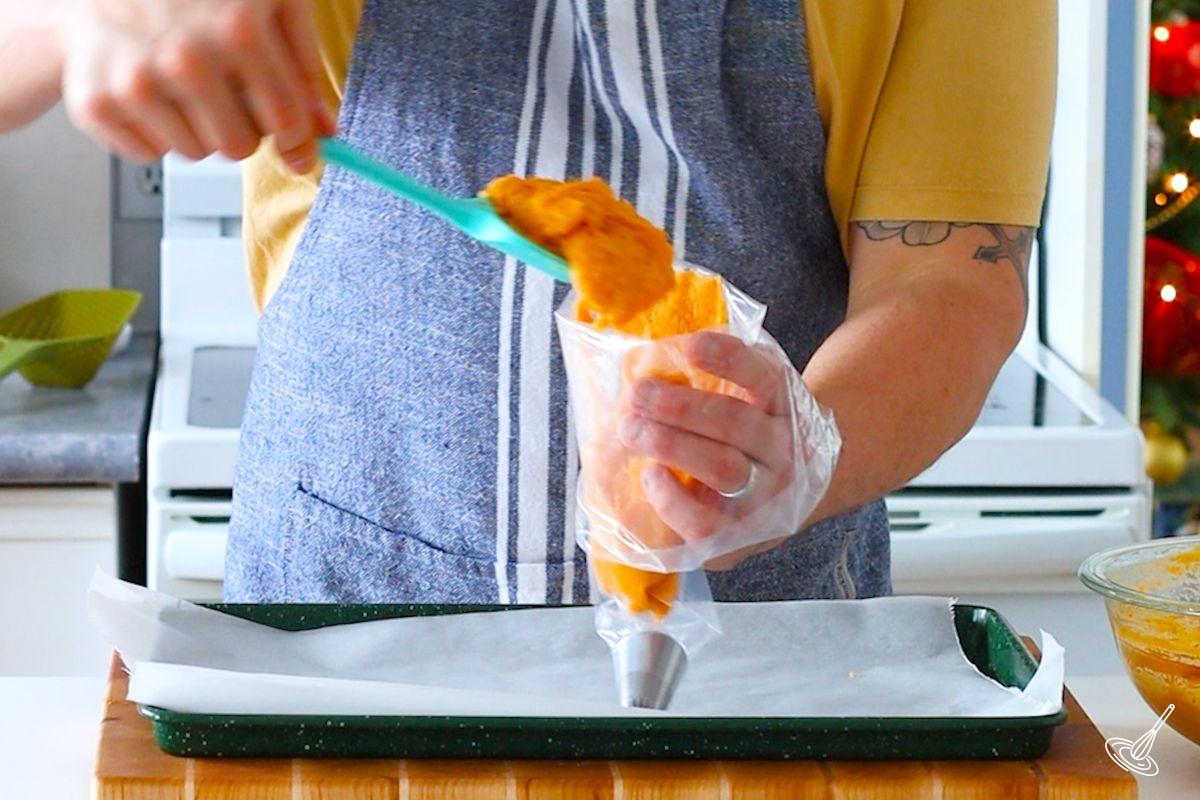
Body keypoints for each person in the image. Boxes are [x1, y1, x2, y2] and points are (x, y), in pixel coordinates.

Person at [0, 1, 1055, 604]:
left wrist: (812, 449)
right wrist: (63, 17)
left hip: (769, 662)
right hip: (336, 646)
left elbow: (950, 276)